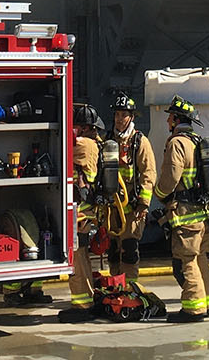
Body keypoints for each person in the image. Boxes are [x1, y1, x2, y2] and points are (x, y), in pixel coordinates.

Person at [153, 95, 209, 322]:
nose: (168, 120)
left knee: (186, 260)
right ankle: (207, 304)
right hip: (202, 212)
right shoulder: (198, 141)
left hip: (185, 213)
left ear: (176, 119)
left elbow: (170, 178)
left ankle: (193, 309)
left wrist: (159, 195)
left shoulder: (177, 143)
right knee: (200, 259)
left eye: (170, 116)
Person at [56, 103, 104, 322]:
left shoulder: (83, 144)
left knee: (75, 258)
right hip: (86, 213)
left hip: (80, 214)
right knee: (82, 257)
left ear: (84, 127)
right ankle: (87, 299)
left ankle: (81, 305)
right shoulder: (95, 143)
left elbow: (60, 150)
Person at [106, 92, 155, 281]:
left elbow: (149, 173)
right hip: (111, 209)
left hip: (132, 209)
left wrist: (144, 203)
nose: (119, 119)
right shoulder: (108, 140)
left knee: (129, 252)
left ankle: (131, 291)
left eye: (123, 115)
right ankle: (115, 290)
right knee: (112, 252)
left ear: (131, 117)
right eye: (117, 114)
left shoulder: (140, 142)